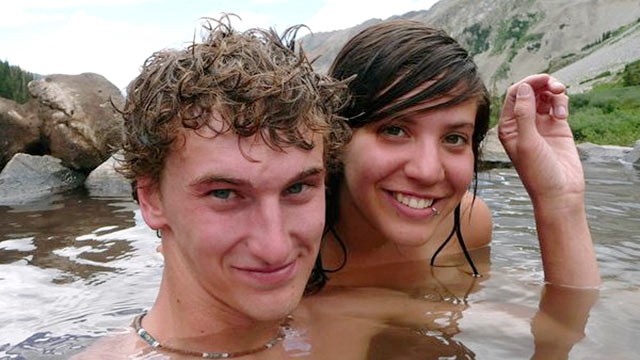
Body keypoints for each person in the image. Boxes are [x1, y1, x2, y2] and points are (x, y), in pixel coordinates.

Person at [295, 19, 600, 359]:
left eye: (454, 138)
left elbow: (565, 331)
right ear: (337, 135)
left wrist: (560, 201)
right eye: (395, 130)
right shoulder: (289, 238)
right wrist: (372, 309)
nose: (426, 171)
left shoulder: (468, 226)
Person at [74, 17, 349, 359]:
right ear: (151, 199)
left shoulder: (350, 328)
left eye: (297, 189)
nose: (274, 248)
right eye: (224, 193)